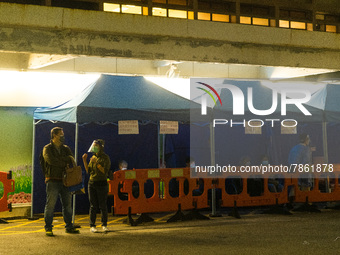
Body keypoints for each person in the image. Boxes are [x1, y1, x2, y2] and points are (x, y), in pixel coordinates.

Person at [43, 127, 80, 236]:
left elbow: (71, 158)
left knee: (67, 205)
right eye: (61, 134)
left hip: (65, 181)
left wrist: (61, 161)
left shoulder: (66, 148)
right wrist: (64, 161)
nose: (63, 136)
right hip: (52, 180)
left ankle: (69, 226)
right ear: (54, 135)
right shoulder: (47, 148)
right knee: (50, 205)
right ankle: (48, 228)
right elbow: (51, 161)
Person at [82, 139, 111, 233]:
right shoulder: (93, 157)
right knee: (93, 206)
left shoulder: (105, 158)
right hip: (92, 183)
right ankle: (92, 225)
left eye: (96, 146)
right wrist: (85, 161)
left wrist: (97, 163)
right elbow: (88, 171)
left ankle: (104, 224)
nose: (94, 147)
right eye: (93, 145)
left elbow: (105, 172)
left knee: (103, 205)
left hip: (102, 183)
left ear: (100, 147)